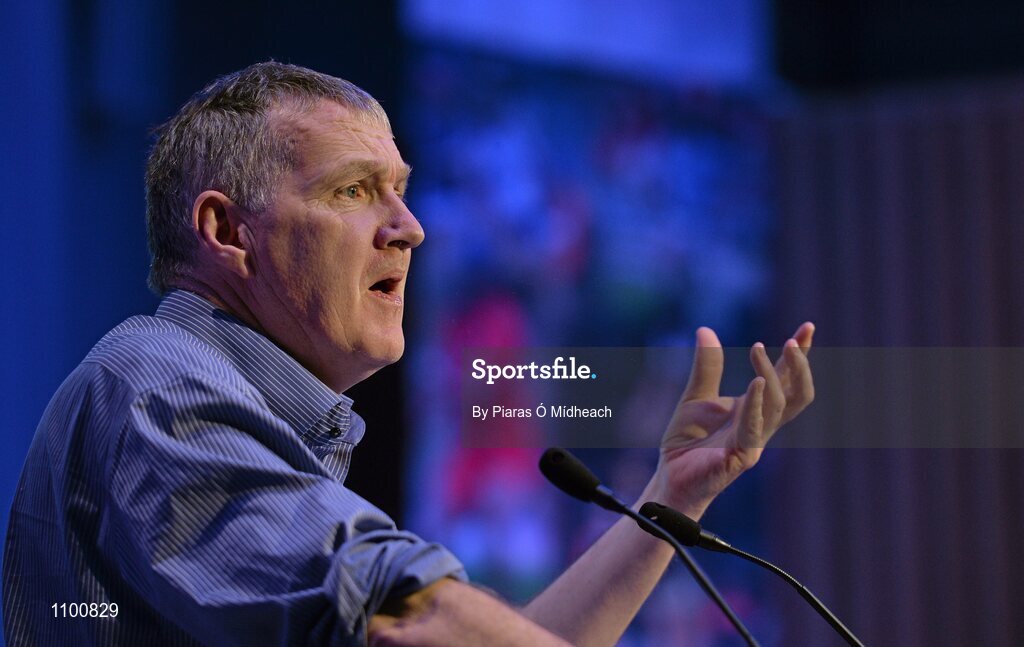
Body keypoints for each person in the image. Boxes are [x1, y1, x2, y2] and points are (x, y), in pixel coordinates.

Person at [2, 62, 815, 647]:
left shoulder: (243, 415)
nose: (409, 226)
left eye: (400, 187)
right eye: (353, 191)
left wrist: (669, 498)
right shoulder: (154, 381)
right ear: (226, 233)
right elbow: (407, 614)